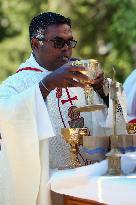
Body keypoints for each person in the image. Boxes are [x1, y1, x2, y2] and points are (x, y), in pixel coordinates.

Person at [0, 12, 109, 205]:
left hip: (94, 184)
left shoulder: (81, 74)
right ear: (36, 43)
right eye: (58, 42)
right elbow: (5, 117)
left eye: (70, 42)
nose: (67, 50)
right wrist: (45, 86)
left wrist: (101, 88)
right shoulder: (16, 84)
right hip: (48, 191)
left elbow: (119, 112)